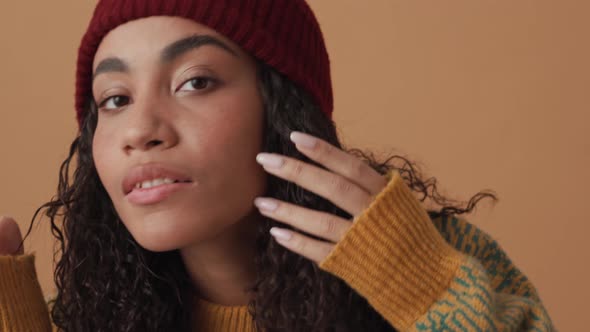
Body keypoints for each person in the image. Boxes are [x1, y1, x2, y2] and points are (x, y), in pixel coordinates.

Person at [0, 0, 554, 331]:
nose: (141, 131)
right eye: (114, 99)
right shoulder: (96, 312)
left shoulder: (441, 263)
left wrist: (426, 292)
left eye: (195, 81)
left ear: (284, 106)